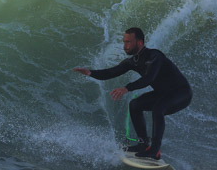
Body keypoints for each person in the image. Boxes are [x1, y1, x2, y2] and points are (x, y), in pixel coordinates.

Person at [73, 27, 192, 161]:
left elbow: (149, 78)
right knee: (135, 105)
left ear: (139, 42)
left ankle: (155, 150)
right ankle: (143, 144)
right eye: (124, 42)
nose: (125, 46)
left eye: (128, 42)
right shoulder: (133, 61)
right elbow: (111, 72)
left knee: (159, 108)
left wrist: (126, 88)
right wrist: (90, 73)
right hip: (162, 93)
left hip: (181, 93)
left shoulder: (155, 56)